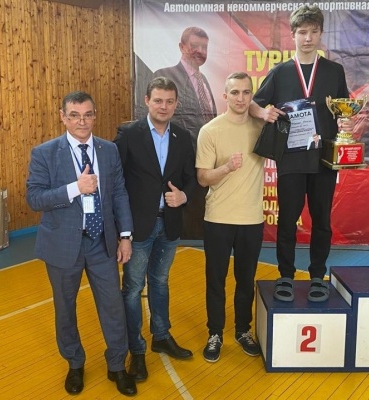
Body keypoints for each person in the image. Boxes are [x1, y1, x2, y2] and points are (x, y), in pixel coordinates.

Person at [26, 91, 137, 396]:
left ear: (95, 116)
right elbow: (34, 198)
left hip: (101, 243)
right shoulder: (45, 153)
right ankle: (75, 364)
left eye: (88, 114)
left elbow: (119, 194)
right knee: (65, 308)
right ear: (63, 117)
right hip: (62, 246)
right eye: (74, 115)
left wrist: (125, 236)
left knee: (113, 307)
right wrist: (75, 188)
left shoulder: (109, 150)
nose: (82, 121)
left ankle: (117, 365)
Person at [249, 5, 349, 303]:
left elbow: (343, 109)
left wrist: (345, 121)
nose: (308, 38)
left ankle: (318, 274)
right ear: (292, 34)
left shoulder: (334, 71)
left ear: (320, 33)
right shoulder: (280, 72)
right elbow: (254, 104)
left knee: (322, 221)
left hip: (324, 158)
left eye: (314, 32)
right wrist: (263, 112)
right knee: (287, 220)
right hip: (291, 158)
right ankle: (286, 275)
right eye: (302, 32)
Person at [114, 77, 197, 381]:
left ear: (176, 104)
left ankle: (161, 336)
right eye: (158, 100)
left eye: (169, 101)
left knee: (160, 282)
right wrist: (121, 230)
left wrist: (184, 196)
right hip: (137, 227)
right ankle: (136, 349)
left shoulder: (183, 136)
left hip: (169, 225)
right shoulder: (128, 134)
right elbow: (115, 182)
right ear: (147, 101)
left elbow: (191, 178)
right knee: (133, 288)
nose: (164, 106)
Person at [197, 72, 265, 362]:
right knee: (216, 280)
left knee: (246, 280)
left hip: (252, 219)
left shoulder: (262, 128)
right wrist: (226, 168)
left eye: (246, 92)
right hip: (218, 219)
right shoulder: (210, 130)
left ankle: (242, 330)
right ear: (225, 96)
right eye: (235, 92)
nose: (240, 98)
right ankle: (215, 333)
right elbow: (202, 178)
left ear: (252, 96)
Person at [153, 26, 218, 240]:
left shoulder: (204, 80)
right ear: (181, 47)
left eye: (204, 47)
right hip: (179, 167)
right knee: (180, 233)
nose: (200, 51)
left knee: (199, 226)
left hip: (204, 164)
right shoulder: (165, 76)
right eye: (194, 46)